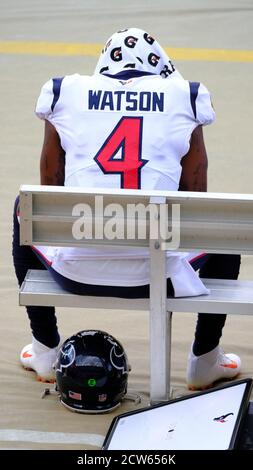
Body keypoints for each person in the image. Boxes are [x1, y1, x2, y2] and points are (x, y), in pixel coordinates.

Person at [13, 28, 241, 390]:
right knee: (221, 224)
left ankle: (44, 348)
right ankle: (205, 359)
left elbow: (49, 188)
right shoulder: (186, 96)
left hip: (76, 270)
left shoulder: (64, 92)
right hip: (157, 274)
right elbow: (196, 198)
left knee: (25, 209)